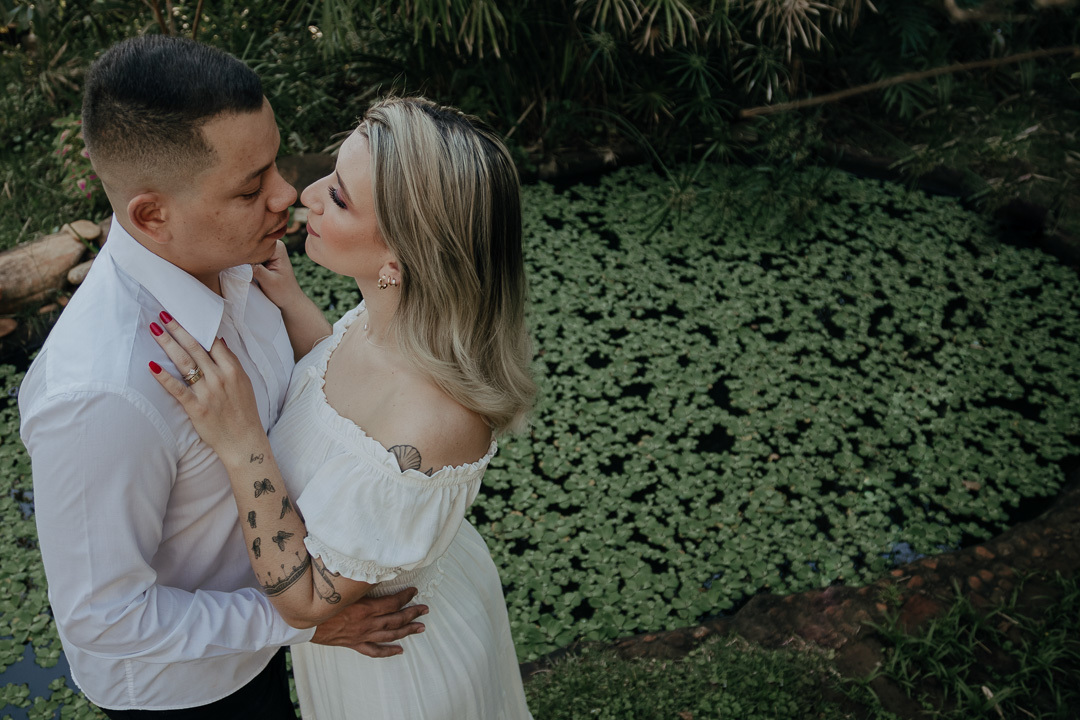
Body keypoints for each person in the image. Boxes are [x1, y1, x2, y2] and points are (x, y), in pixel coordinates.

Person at [19, 36, 426, 719]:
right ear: (153, 214)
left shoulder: (242, 260)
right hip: (191, 692)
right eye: (251, 187)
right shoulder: (100, 397)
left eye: (274, 164)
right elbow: (108, 622)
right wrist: (299, 620)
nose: (287, 194)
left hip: (279, 630)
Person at [145, 96, 536, 719]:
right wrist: (293, 301)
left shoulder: (429, 428)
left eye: (342, 198)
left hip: (396, 667)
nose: (306, 194)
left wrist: (241, 439)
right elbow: (346, 399)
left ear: (399, 262)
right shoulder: (397, 324)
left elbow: (304, 602)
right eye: (331, 173)